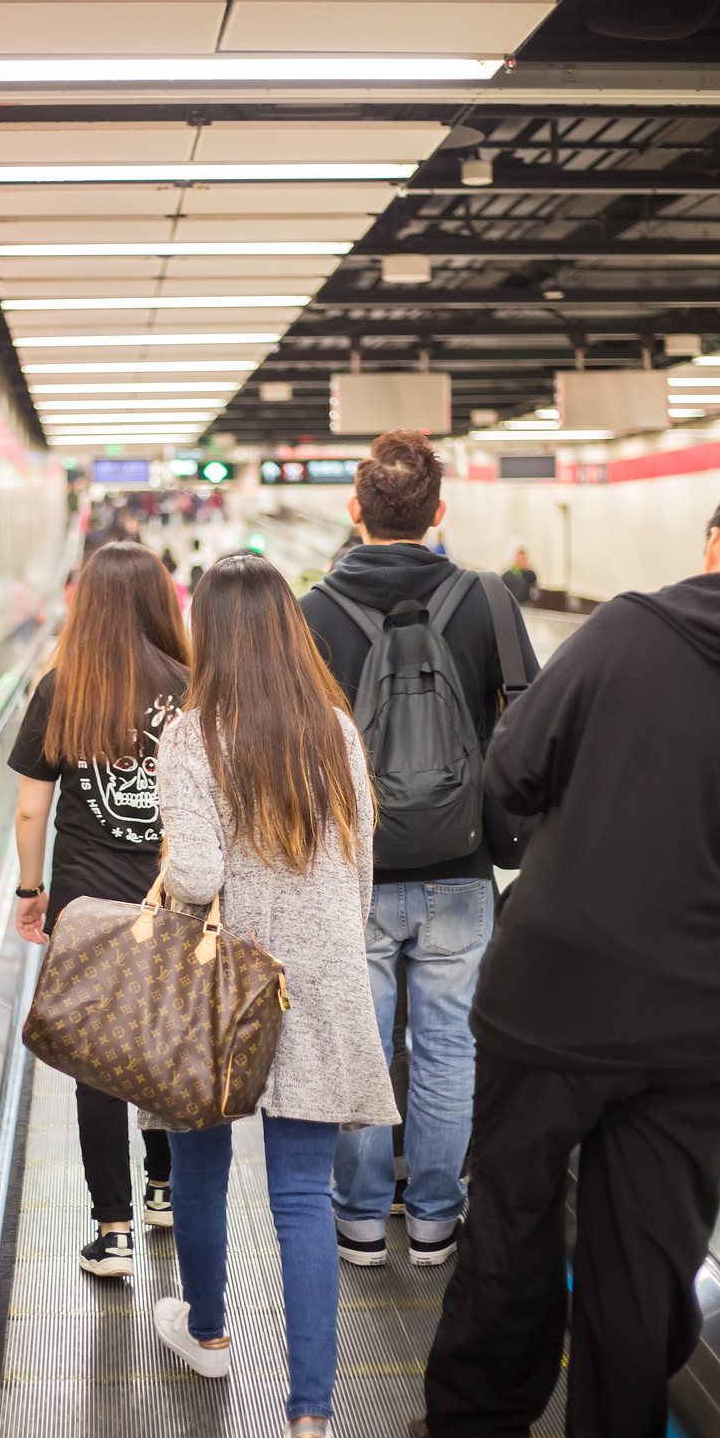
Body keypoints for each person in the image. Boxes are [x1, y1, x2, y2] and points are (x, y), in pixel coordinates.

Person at [409, 488, 720, 1438]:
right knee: (646, 1257)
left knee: (513, 1209)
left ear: (714, 544)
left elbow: (512, 769)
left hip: (553, 994)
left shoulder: (631, 628)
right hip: (702, 1025)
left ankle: (477, 1428)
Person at [149, 555, 397, 1438]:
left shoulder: (192, 733)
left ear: (206, 633)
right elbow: (365, 863)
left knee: (200, 1160)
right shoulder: (334, 727)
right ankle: (309, 1429)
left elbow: (201, 877)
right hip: (322, 975)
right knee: (302, 1198)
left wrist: (175, 880)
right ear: (291, 629)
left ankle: (208, 1333)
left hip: (227, 984)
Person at [300, 432, 538, 1268]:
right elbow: (530, 728)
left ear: (354, 509)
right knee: (448, 1046)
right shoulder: (489, 599)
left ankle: (360, 1220)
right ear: (439, 513)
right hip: (462, 867)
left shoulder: (312, 611)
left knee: (360, 1045)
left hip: (351, 871)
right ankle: (436, 1217)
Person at [8, 543, 189, 1278]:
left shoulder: (63, 688)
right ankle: (163, 1190)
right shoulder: (192, 686)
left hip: (84, 900)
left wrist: (30, 891)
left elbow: (30, 808)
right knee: (164, 1047)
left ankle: (112, 1233)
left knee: (98, 1066)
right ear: (160, 601)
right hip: (173, 895)